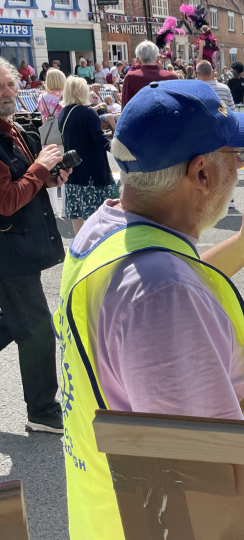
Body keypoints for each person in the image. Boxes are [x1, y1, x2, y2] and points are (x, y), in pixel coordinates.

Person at [56, 79, 244, 540]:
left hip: (102, 513)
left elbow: (165, 275)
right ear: (201, 174)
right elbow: (223, 460)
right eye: (236, 157)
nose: (239, 172)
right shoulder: (163, 295)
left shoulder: (104, 230)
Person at [0, 58, 70, 434]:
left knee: (17, 321)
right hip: (8, 252)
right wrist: (41, 169)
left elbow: (32, 182)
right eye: (1, 89)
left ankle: (42, 409)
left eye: (10, 84)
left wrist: (53, 175)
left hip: (16, 248)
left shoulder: (13, 130)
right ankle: (42, 411)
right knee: (37, 327)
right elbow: (7, 200)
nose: (10, 93)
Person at [58, 76, 117, 235]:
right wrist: (119, 149)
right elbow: (99, 139)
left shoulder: (64, 112)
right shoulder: (88, 112)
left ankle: (79, 245)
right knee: (98, 215)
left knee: (76, 212)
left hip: (74, 170)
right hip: (93, 172)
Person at [37, 68, 66, 215]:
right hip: (62, 138)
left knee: (49, 173)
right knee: (66, 171)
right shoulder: (64, 96)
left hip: (47, 139)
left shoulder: (42, 97)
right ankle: (66, 208)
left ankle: (53, 209)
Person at [121, 41, 178, 107]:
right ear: (158, 58)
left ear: (138, 60)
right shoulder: (172, 77)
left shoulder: (130, 78)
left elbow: (126, 109)